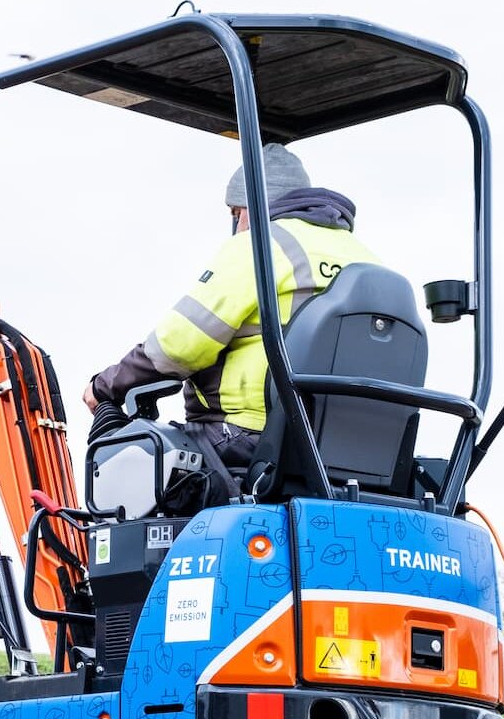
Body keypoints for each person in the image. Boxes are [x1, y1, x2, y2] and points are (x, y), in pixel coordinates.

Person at [82, 143, 379, 486]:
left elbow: (179, 344)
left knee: (135, 464)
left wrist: (105, 386)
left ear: (248, 207)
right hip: (352, 450)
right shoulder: (367, 259)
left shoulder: (262, 245)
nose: (236, 225)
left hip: (252, 436)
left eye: (235, 213)